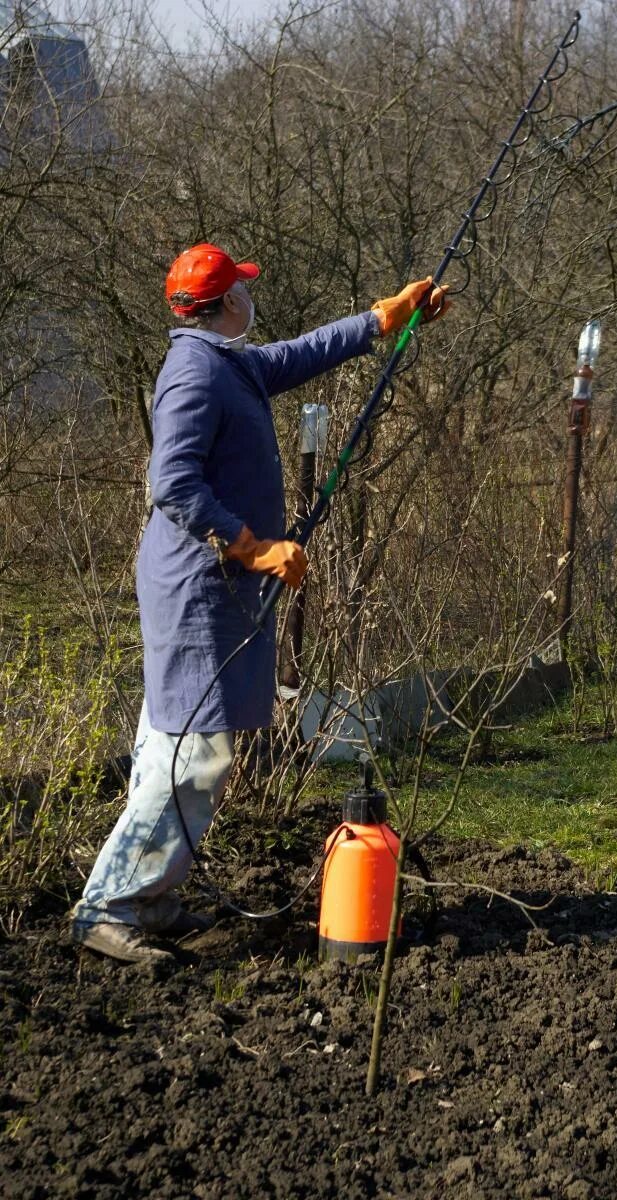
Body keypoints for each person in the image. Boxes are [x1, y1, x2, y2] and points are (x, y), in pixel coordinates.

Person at [70, 243, 449, 962]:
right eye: (241, 289)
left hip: (210, 587)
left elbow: (298, 356)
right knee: (190, 755)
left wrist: (382, 319)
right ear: (222, 305)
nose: (250, 297)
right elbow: (172, 485)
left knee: (175, 748)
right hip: (199, 587)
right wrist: (251, 546)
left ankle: (147, 896)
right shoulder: (192, 374)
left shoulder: (225, 361)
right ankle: (110, 907)